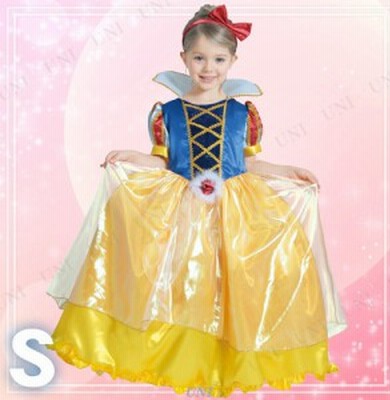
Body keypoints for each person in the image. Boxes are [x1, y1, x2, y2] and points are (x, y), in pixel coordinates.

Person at [46, 4, 348, 397]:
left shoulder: (243, 114)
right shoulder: (167, 113)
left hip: (235, 212)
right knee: (186, 286)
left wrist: (288, 171)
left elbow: (248, 163)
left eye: (219, 59)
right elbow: (163, 160)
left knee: (230, 287)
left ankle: (218, 370)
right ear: (184, 58)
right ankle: (191, 370)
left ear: (232, 61)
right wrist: (131, 158)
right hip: (183, 211)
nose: (209, 68)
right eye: (200, 58)